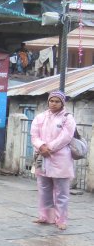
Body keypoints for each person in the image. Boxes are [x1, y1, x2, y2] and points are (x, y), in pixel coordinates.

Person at [30, 90, 75, 231]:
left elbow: (66, 137)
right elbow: (34, 135)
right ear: (48, 102)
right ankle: (45, 216)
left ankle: (61, 219)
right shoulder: (40, 117)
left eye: (57, 101)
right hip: (42, 157)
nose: (54, 104)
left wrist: (49, 148)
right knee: (44, 189)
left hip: (60, 158)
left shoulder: (68, 118)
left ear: (62, 103)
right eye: (51, 101)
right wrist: (41, 146)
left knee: (61, 192)